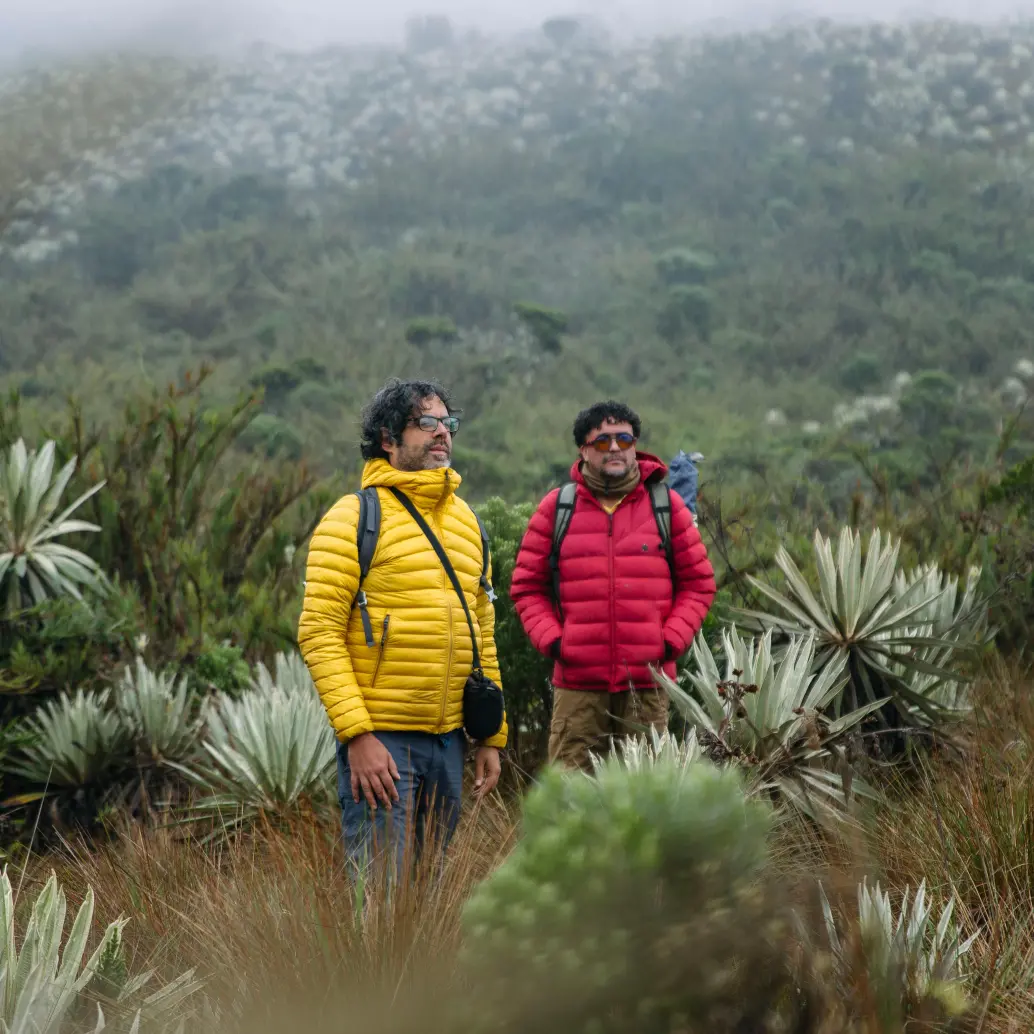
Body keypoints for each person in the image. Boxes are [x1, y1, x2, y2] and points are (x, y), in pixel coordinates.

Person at [297, 377, 507, 877]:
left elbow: (483, 633)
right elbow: (319, 632)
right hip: (382, 744)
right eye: (426, 423)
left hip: (450, 742)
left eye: (447, 423)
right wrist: (358, 737)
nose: (442, 434)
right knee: (380, 897)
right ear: (388, 438)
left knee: (426, 896)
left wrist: (492, 736)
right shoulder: (352, 517)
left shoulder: (468, 523)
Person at [510, 401, 716, 773]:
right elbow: (527, 587)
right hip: (577, 686)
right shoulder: (557, 508)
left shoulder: (666, 506)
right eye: (603, 441)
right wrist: (554, 641)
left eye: (624, 438)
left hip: (648, 686)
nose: (616, 448)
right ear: (584, 450)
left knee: (644, 800)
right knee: (570, 798)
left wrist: (669, 641)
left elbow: (699, 584)